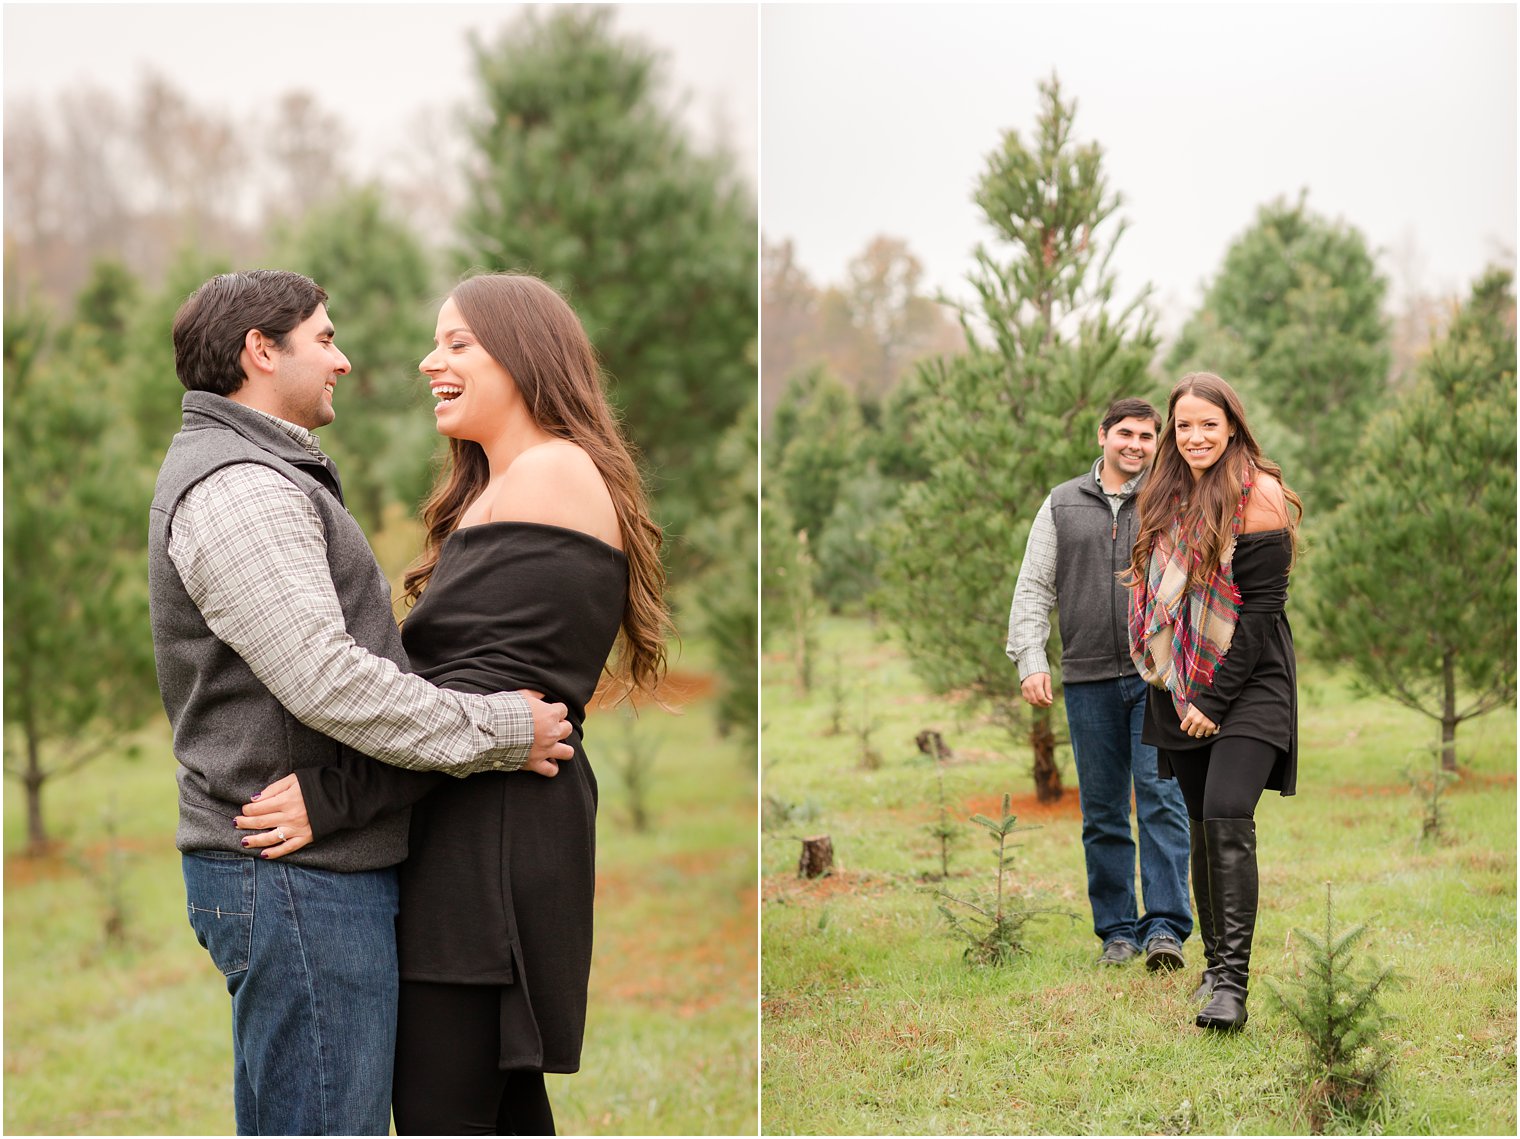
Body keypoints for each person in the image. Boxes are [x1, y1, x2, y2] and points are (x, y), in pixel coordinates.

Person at [240, 272, 671, 1135]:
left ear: (526, 354)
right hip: (481, 832)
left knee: (448, 1111)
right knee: (497, 1110)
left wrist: (333, 799)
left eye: (459, 343)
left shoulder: (549, 473)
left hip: (488, 854)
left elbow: (472, 697)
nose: (430, 360)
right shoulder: (505, 484)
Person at [147, 269, 575, 1136]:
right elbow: (328, 679)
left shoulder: (265, 469)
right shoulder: (241, 486)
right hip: (296, 875)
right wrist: (500, 728)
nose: (344, 360)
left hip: (312, 868)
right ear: (260, 351)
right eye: (326, 339)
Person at [1124, 372, 1301, 1033]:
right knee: (1200, 820)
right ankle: (1213, 962)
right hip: (1178, 678)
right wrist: (1177, 683)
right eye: (1185, 425)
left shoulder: (1259, 494)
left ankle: (1232, 985)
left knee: (1229, 811)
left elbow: (1262, 609)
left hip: (1249, 677)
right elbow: (1149, 591)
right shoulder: (1166, 492)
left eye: (1209, 423)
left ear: (1232, 425)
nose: (1196, 436)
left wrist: (1218, 698)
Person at [1006, 398, 1193, 972]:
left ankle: (1164, 928)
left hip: (1154, 678)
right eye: (1126, 435)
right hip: (1087, 678)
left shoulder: (1169, 500)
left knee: (1161, 798)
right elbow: (1035, 586)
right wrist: (1031, 658)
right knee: (1105, 809)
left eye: (1146, 437)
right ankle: (1116, 931)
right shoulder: (1061, 503)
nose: (1136, 446)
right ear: (1102, 435)